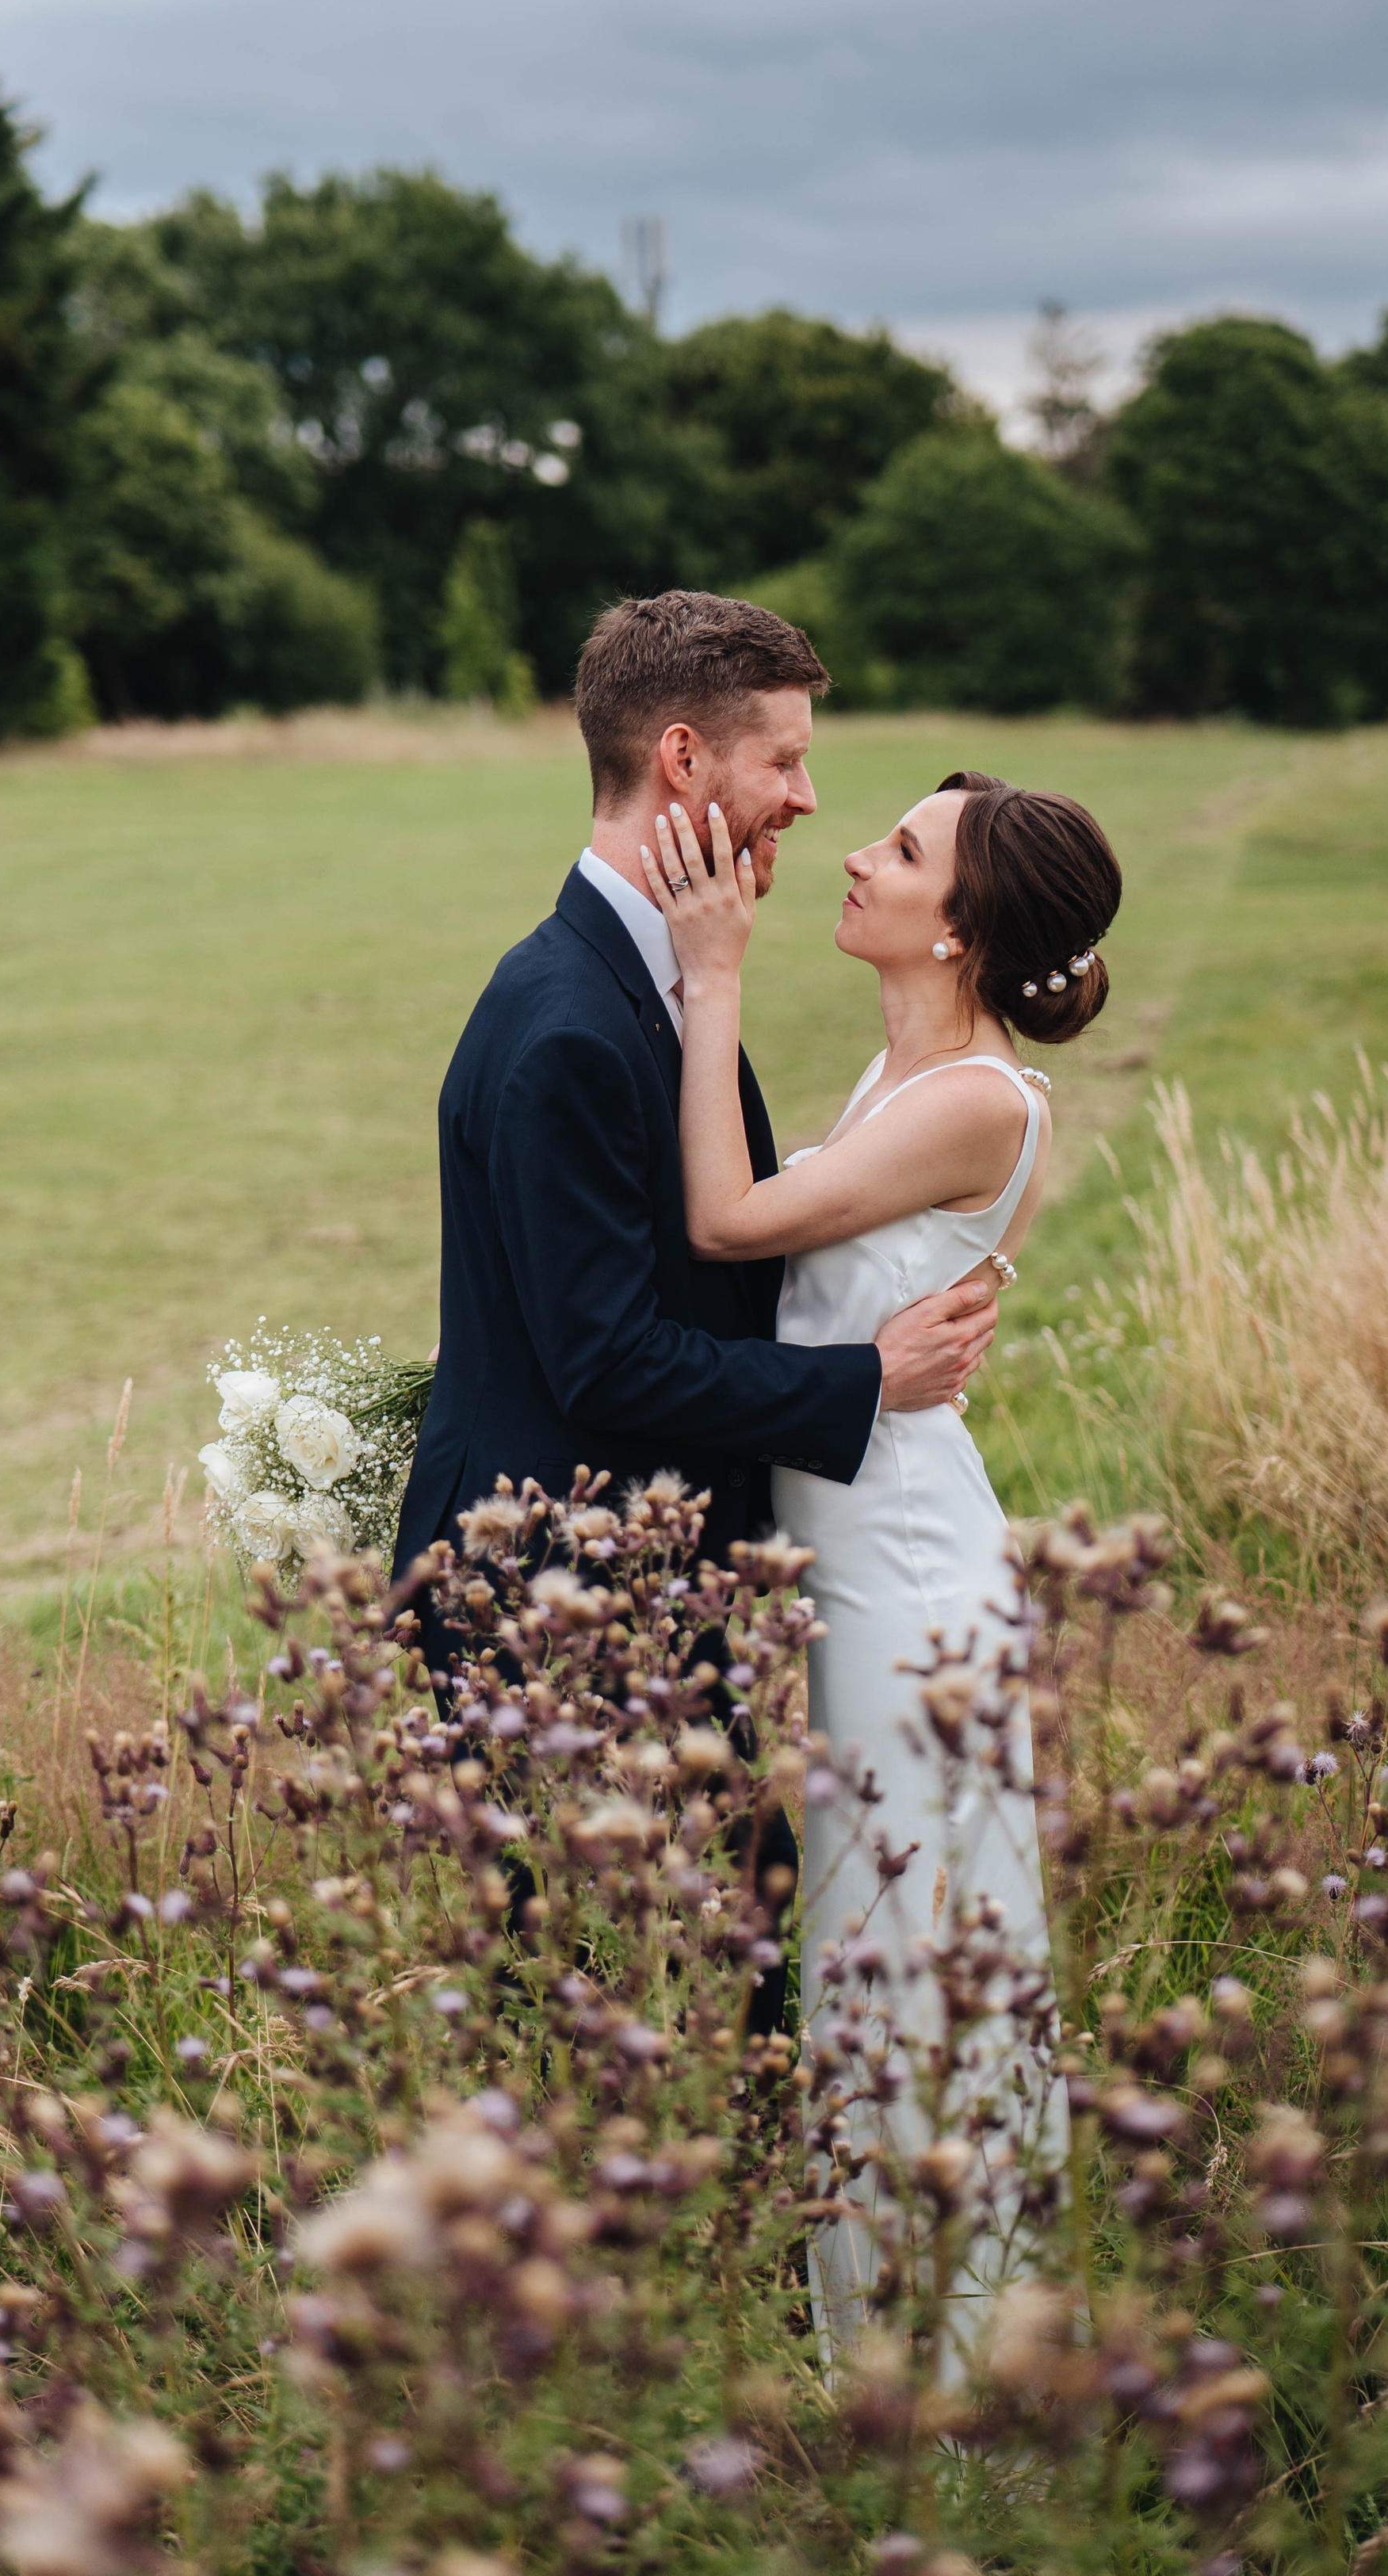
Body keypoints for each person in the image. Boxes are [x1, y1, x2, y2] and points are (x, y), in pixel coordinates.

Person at [392, 595, 1004, 2035]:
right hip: (554, 1611)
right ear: (685, 759)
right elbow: (606, 1359)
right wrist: (863, 1382)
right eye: (783, 761)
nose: (806, 798)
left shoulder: (652, 984)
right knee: (685, 2040)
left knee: (709, 2024)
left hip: (629, 1599)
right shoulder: (567, 1027)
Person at [640, 763, 1123, 2359]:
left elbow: (725, 1220)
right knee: (866, 1948)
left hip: (910, 1583)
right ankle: (887, 2356)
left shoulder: (981, 1098)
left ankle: (945, 2375)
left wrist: (710, 972)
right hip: (852, 1561)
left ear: (963, 929)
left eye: (902, 850)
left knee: (911, 1955)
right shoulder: (902, 1069)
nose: (855, 852)